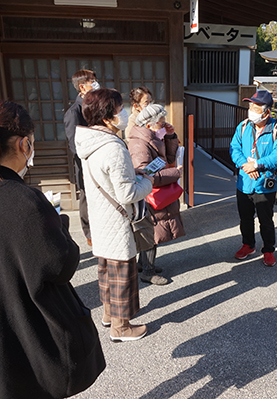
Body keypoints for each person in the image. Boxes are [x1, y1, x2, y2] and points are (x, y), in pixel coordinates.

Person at [0, 101, 105, 399]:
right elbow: (61, 264)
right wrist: (60, 225)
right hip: (29, 336)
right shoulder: (27, 200)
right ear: (24, 143)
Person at [75, 88, 153, 342]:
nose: (125, 113)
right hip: (117, 219)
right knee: (122, 273)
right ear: (108, 118)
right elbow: (127, 193)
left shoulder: (89, 142)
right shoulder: (113, 147)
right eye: (120, 110)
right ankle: (122, 327)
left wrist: (133, 176)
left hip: (101, 216)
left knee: (107, 270)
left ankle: (109, 315)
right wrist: (148, 182)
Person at [229, 90, 277, 267]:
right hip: (245, 182)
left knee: (265, 219)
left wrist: (257, 165)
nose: (251, 111)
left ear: (266, 112)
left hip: (265, 184)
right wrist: (245, 166)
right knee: (245, 217)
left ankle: (268, 249)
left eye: (255, 108)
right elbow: (234, 148)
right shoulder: (243, 126)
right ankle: (248, 245)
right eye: (250, 107)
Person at [128, 103, 185, 285]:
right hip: (149, 193)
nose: (163, 124)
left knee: (154, 228)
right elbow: (146, 173)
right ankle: (148, 271)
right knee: (152, 231)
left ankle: (142, 263)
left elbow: (168, 158)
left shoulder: (153, 137)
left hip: (155, 191)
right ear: (149, 125)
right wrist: (176, 172)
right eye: (161, 122)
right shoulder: (139, 144)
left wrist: (170, 136)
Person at [64, 69, 100, 246]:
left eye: (95, 80)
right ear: (82, 86)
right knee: (86, 198)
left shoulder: (94, 106)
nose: (95, 83)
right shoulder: (74, 112)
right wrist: (86, 166)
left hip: (100, 159)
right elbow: (74, 145)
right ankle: (90, 234)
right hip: (85, 163)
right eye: (92, 81)